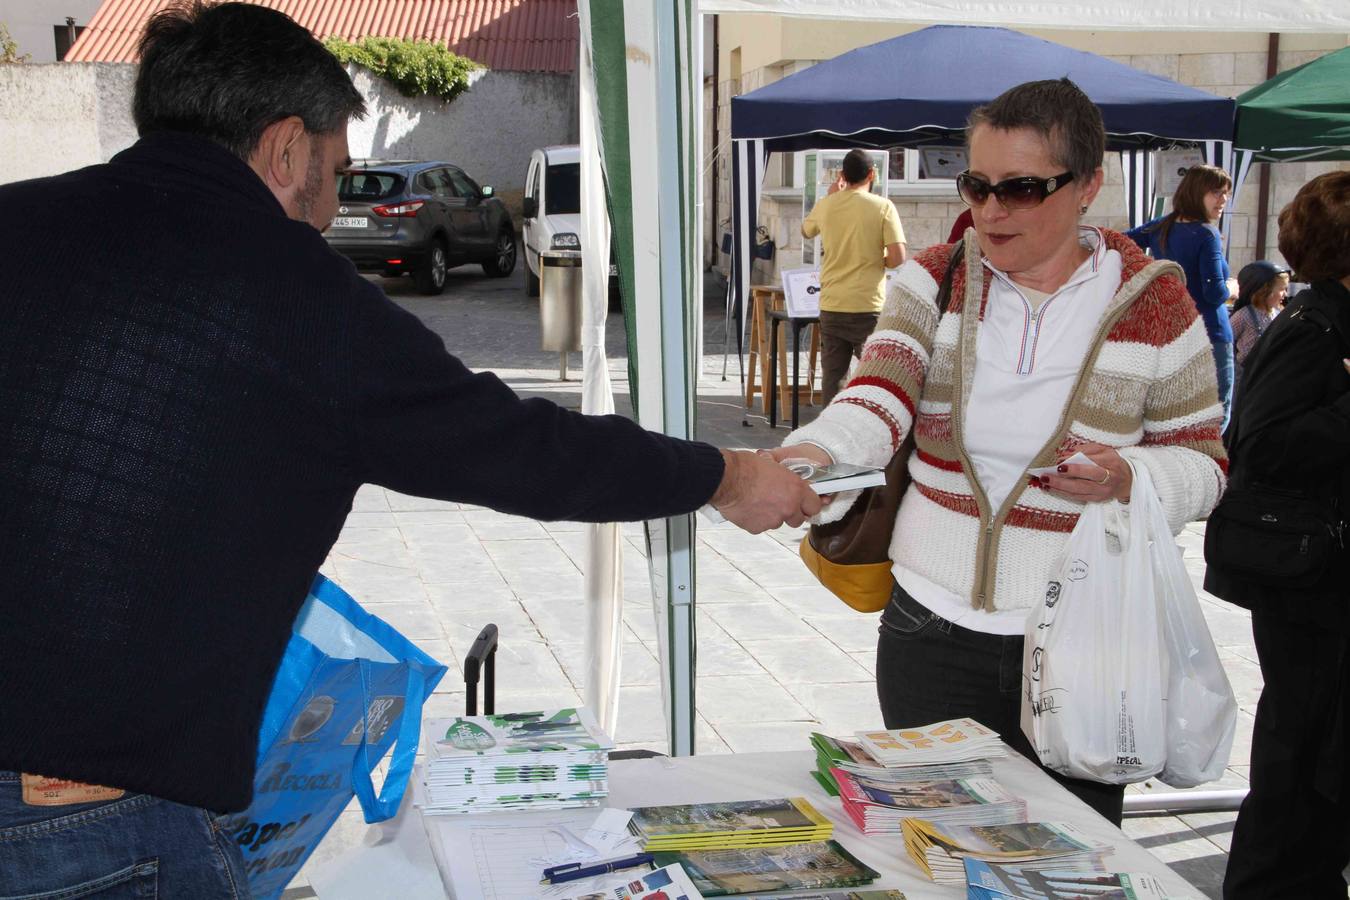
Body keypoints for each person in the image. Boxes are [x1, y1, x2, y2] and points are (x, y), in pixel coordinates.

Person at [0, 4, 820, 895]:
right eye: (335, 173)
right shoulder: (299, 297)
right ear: (286, 149)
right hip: (96, 818)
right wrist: (727, 474)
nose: (329, 209)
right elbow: (518, 448)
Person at [770, 78, 1226, 825]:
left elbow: (1204, 462)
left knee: (1075, 853)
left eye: (1020, 188)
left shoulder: (1154, 302)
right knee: (937, 847)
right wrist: (810, 457)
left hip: (1086, 642)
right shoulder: (933, 279)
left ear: (1087, 186)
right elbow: (875, 395)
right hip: (929, 631)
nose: (990, 211)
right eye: (977, 186)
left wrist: (1131, 475)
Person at [1204, 172, 1350, 899]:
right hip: (1308, 580)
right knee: (1299, 755)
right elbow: (1260, 444)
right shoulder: (1314, 325)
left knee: (1318, 754)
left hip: (1321, 575)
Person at [1127, 165, 1239, 430]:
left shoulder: (1162, 226)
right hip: (1210, 332)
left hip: (1172, 333)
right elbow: (1214, 292)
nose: (1223, 200)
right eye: (1216, 192)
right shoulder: (1206, 233)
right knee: (1215, 416)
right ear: (1197, 192)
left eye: (1226, 193)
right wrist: (1232, 289)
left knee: (1173, 415)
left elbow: (1118, 242)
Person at [801, 149, 907, 405]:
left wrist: (829, 197)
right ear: (872, 174)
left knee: (833, 378)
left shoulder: (827, 205)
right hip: (868, 305)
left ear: (842, 175)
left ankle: (830, 426)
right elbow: (898, 257)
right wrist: (877, 260)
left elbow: (806, 231)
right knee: (875, 377)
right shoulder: (883, 207)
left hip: (832, 303)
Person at [1229, 260, 1290, 387]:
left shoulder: (1279, 314)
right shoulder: (1244, 315)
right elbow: (1227, 339)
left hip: (1268, 374)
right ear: (1264, 291)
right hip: (1245, 376)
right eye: (1282, 289)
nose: (1285, 294)